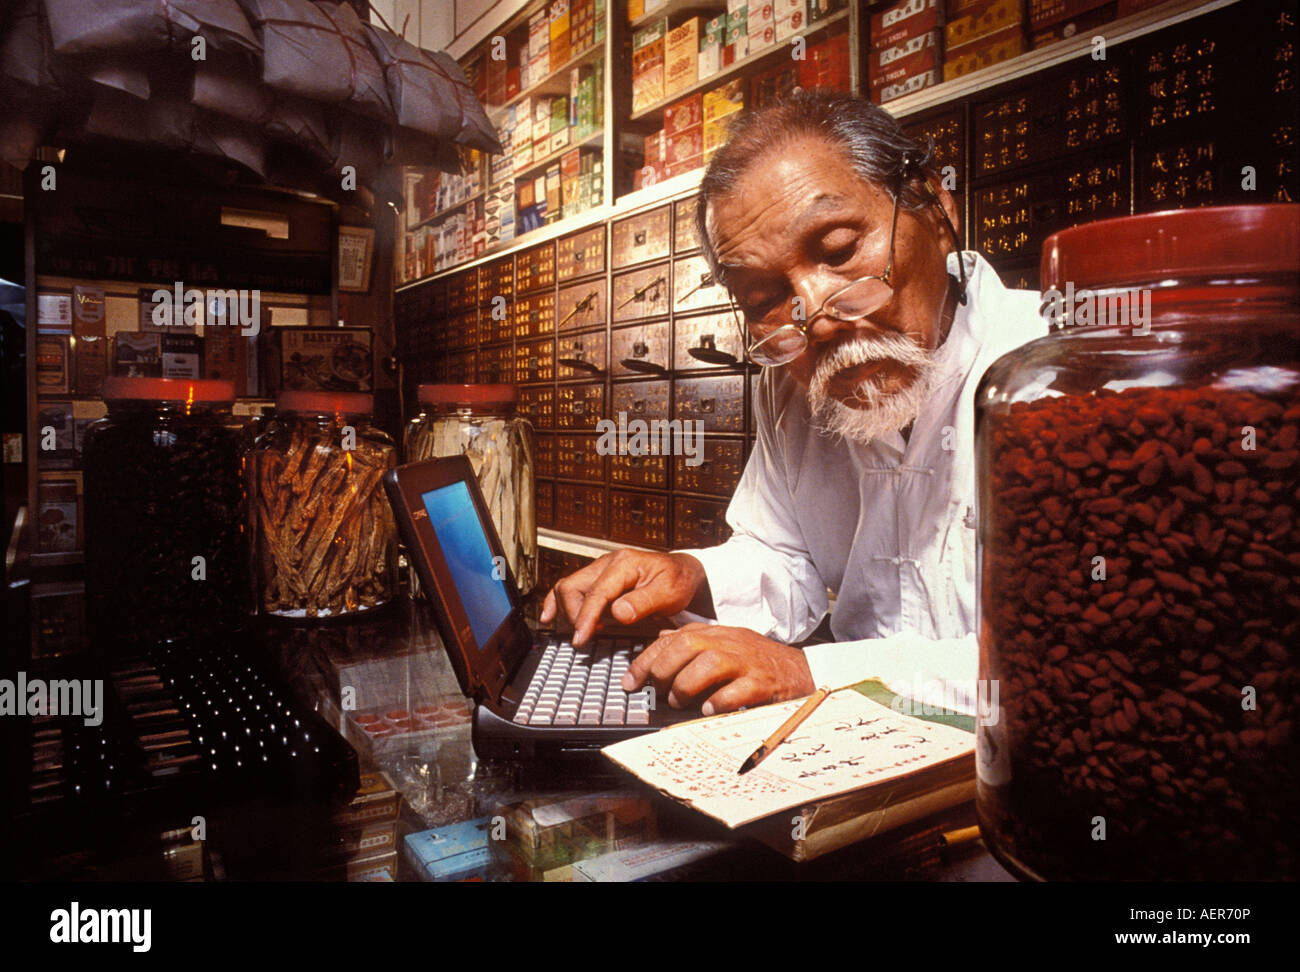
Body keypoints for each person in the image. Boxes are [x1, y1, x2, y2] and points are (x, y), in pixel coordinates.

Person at [540, 91, 1046, 715]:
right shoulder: (787, 388)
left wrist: (813, 671)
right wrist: (691, 576)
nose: (815, 316)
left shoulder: (1068, 374)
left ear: (937, 211)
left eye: (838, 251)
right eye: (762, 298)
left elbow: (1070, 660)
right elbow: (784, 554)